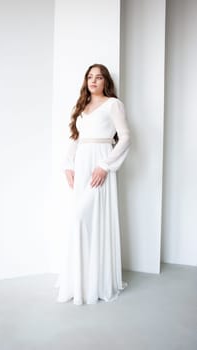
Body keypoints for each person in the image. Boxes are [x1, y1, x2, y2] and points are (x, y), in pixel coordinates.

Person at [55, 63, 131, 305]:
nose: (94, 81)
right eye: (90, 77)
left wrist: (105, 165)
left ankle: (98, 282)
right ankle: (80, 280)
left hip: (99, 166)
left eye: (99, 77)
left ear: (105, 81)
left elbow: (126, 137)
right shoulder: (82, 107)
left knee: (87, 218)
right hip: (82, 165)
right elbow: (75, 138)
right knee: (81, 221)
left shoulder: (113, 104)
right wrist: (68, 165)